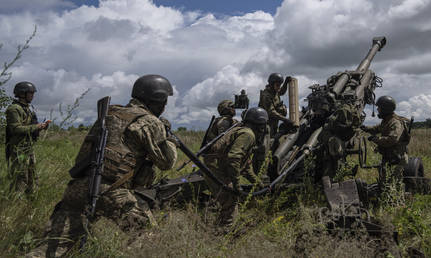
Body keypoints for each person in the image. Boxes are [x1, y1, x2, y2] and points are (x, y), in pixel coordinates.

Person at [28, 75, 178, 257]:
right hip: (112, 191)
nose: (165, 106)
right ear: (158, 99)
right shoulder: (150, 122)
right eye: (165, 101)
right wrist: (170, 141)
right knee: (148, 237)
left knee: (53, 248)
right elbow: (166, 163)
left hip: (77, 188)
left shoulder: (109, 113)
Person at [202, 107, 268, 227]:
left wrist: (258, 184)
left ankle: (221, 227)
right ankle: (225, 231)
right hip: (216, 168)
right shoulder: (248, 135)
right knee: (230, 198)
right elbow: (234, 158)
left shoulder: (242, 131)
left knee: (228, 199)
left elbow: (246, 167)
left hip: (214, 166)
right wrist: (236, 185)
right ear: (261, 126)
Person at [5, 81, 49, 195]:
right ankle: (16, 204)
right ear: (22, 93)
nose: (33, 96)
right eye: (31, 93)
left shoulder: (28, 109)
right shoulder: (14, 109)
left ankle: (31, 201)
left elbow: (29, 127)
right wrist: (36, 126)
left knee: (32, 176)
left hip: (28, 148)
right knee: (20, 177)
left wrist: (41, 127)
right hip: (19, 150)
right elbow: (15, 129)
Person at [361, 96, 410, 189]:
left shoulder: (395, 122)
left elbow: (392, 139)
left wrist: (375, 139)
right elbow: (376, 128)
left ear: (385, 109)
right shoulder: (387, 121)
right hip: (389, 157)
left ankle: (397, 202)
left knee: (393, 185)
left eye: (379, 107)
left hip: (397, 159)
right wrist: (365, 128)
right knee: (384, 184)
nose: (377, 109)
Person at [258, 73, 294, 137]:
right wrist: (285, 119)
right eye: (277, 85)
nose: (279, 87)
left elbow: (281, 92)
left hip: (274, 122)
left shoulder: (274, 91)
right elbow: (271, 112)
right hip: (267, 124)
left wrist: (286, 83)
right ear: (272, 84)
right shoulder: (266, 96)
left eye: (280, 85)